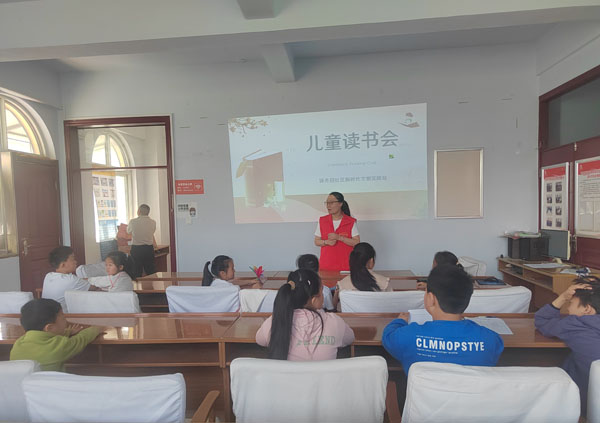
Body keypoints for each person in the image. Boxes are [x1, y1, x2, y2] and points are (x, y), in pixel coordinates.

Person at [382, 264, 504, 373]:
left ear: (431, 299)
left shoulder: (406, 336)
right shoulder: (491, 341)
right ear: (467, 300)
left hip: (425, 393)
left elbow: (387, 336)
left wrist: (400, 321)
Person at [534, 276, 600, 415]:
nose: (568, 309)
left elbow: (542, 320)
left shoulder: (575, 324)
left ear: (587, 309)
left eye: (571, 303)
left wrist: (564, 296)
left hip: (587, 404)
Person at [256, 269, 354, 360]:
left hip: (286, 374)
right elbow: (350, 338)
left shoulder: (275, 321)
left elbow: (260, 339)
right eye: (321, 292)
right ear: (314, 300)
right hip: (323, 374)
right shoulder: (334, 322)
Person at [10, 299, 102, 371]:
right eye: (63, 317)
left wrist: (68, 332)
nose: (66, 320)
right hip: (52, 387)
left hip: (25, 388)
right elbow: (81, 339)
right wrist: (96, 328)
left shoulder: (18, 344)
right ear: (49, 327)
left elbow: (46, 337)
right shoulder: (58, 346)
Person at [333, 242, 392, 309]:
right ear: (371, 261)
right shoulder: (385, 282)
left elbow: (335, 307)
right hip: (379, 316)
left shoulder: (342, 284)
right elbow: (392, 305)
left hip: (350, 316)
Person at [314, 192, 360, 271]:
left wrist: (339, 238)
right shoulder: (322, 220)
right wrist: (326, 242)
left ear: (340, 204)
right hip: (326, 265)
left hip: (346, 265)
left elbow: (356, 242)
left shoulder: (350, 221)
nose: (328, 206)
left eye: (331, 202)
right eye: (327, 203)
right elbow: (316, 241)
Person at [42, 246, 92, 312]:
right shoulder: (71, 280)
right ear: (63, 264)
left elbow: (79, 280)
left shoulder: (49, 275)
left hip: (46, 314)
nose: (75, 262)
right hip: (62, 317)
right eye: (73, 259)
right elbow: (94, 287)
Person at [127, 204, 156, 278]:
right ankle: (153, 285)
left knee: (137, 271)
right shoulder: (153, 222)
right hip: (149, 249)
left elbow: (128, 231)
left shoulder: (133, 222)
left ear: (139, 211)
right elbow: (152, 232)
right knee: (150, 270)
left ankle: (138, 285)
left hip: (137, 249)